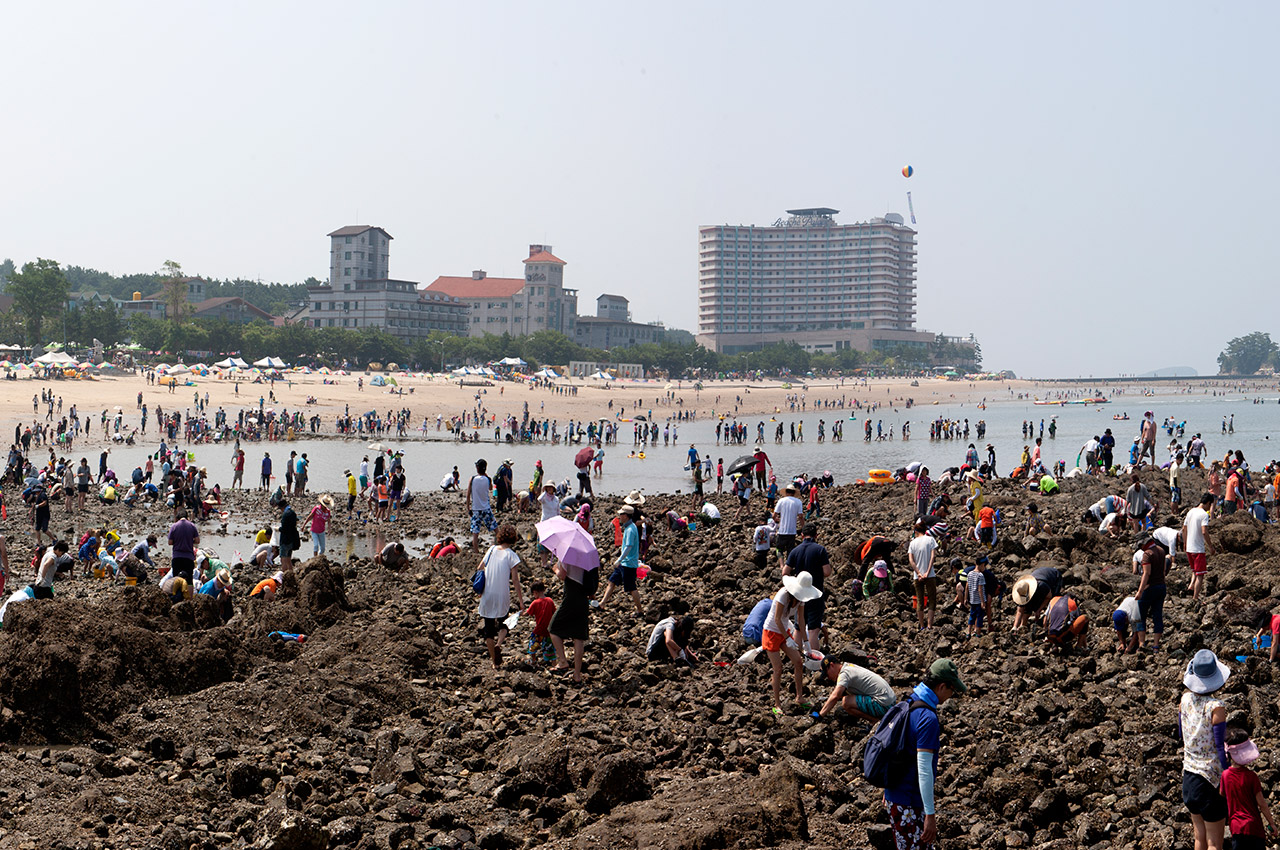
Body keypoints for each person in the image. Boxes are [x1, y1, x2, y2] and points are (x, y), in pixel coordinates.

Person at [883, 659, 967, 850]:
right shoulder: (927, 719)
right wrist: (930, 814)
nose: (950, 695)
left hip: (895, 796)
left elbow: (894, 748)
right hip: (910, 802)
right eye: (951, 690)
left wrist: (887, 786)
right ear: (942, 686)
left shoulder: (908, 703)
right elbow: (924, 770)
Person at [1180, 649, 1231, 850]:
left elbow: (1181, 732)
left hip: (1189, 776)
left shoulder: (1184, 700)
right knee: (1215, 843)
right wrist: (1228, 773)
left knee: (1199, 837)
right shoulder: (1216, 707)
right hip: (1210, 780)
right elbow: (1220, 747)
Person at [763, 572, 822, 714]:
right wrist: (788, 638)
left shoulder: (801, 599)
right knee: (778, 668)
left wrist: (806, 642)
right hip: (771, 632)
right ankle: (777, 704)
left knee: (798, 662)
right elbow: (777, 619)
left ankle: (799, 697)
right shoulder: (783, 595)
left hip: (783, 631)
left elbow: (801, 621)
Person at [476, 524, 524, 669]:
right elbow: (515, 580)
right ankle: (499, 644)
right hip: (502, 595)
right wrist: (521, 601)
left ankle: (494, 662)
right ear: (513, 539)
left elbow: (480, 568)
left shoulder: (491, 550)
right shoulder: (512, 555)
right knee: (504, 624)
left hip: (488, 594)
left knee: (488, 630)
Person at [1222, 727, 1277, 850]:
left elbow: (1222, 797)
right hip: (1254, 828)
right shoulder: (1251, 777)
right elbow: (1262, 804)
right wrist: (1271, 823)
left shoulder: (1225, 776)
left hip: (1236, 828)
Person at [784, 523, 831, 650]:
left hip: (799, 594)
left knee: (798, 627)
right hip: (815, 593)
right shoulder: (820, 550)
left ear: (802, 535)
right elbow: (827, 572)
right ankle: (813, 661)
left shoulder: (795, 550)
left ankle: (796, 657)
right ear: (816, 535)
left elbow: (785, 572)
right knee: (813, 630)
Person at [548, 555, 593, 684]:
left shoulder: (566, 553)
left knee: (553, 628)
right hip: (583, 597)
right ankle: (577, 674)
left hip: (571, 595)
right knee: (578, 637)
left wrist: (555, 569)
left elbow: (562, 575)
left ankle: (562, 661)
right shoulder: (587, 555)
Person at [813, 658, 895, 722]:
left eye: (827, 674)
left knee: (846, 702)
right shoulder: (849, 666)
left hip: (884, 706)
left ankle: (875, 721)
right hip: (891, 701)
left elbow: (835, 696)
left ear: (832, 665)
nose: (828, 678)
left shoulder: (844, 674)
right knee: (846, 696)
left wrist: (821, 715)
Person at [597, 505, 644, 615]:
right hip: (624, 563)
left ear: (626, 516)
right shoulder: (629, 527)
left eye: (621, 515)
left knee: (632, 587)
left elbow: (629, 546)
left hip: (628, 563)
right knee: (612, 581)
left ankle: (640, 610)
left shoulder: (631, 529)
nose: (619, 517)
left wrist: (619, 559)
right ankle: (602, 603)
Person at [1010, 566, 1062, 632]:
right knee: (1028, 605)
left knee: (1054, 601)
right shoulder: (1022, 589)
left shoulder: (1042, 585)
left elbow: (1048, 597)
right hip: (1040, 576)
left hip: (1055, 577)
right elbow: (1020, 611)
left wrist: (1039, 610)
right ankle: (1022, 626)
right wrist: (1014, 626)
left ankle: (1051, 625)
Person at [908, 521, 939, 631]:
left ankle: (921, 625)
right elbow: (932, 557)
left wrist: (919, 573)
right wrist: (927, 572)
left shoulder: (913, 543)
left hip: (918, 576)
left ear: (916, 531)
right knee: (932, 600)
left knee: (920, 601)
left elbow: (911, 560)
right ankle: (930, 625)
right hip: (930, 575)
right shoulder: (930, 540)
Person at [1185, 492, 1215, 602]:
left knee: (1194, 570)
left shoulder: (1190, 512)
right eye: (1210, 505)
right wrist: (1210, 546)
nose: (1209, 508)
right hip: (1198, 549)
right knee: (1200, 575)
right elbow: (1204, 531)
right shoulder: (1204, 515)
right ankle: (1195, 597)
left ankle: (1191, 585)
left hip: (1189, 547)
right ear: (1207, 503)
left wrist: (1184, 543)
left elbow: (1185, 528)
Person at [466, 459, 497, 552]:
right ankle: (498, 547)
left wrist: (468, 508)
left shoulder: (472, 479)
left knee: (475, 534)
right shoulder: (487, 479)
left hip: (476, 510)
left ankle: (476, 552)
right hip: (486, 509)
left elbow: (468, 495)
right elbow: (491, 488)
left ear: (477, 468)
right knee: (496, 529)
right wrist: (486, 475)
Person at [524, 580, 557, 665]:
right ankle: (554, 663)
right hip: (549, 629)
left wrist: (520, 614)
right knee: (550, 647)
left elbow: (527, 614)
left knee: (533, 644)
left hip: (539, 629)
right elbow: (555, 613)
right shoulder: (550, 601)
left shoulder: (535, 602)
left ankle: (534, 660)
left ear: (535, 592)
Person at [773, 483, 804, 568]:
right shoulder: (798, 502)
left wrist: (777, 520)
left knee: (779, 549)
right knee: (790, 550)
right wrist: (803, 528)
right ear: (794, 493)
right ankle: (788, 566)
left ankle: (782, 565)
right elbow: (800, 517)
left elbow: (774, 515)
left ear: (786, 492)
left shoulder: (781, 501)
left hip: (782, 531)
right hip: (792, 531)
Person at [168, 509, 199, 585]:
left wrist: (177, 542)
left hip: (177, 557)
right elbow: (197, 541)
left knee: (176, 580)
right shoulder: (192, 526)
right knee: (189, 581)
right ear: (187, 517)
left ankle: (177, 596)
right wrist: (190, 541)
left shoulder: (174, 526)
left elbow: (170, 542)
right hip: (188, 557)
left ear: (178, 517)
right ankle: (189, 597)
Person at [537, 483, 559, 569]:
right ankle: (544, 563)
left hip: (553, 523)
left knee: (552, 543)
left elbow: (557, 511)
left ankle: (551, 561)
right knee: (542, 544)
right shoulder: (544, 498)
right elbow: (539, 499)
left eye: (551, 488)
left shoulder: (556, 499)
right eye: (548, 487)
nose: (550, 489)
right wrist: (544, 492)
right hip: (544, 523)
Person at [965, 558, 987, 638]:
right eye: (984, 566)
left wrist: (965, 598)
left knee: (972, 616)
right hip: (978, 600)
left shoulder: (970, 574)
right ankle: (978, 633)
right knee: (979, 617)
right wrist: (982, 602)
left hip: (972, 600)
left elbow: (967, 587)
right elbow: (980, 589)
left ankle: (968, 633)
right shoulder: (980, 575)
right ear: (981, 565)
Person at [278, 496, 300, 572]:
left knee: (283, 559)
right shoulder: (293, 513)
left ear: (282, 507)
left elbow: (284, 528)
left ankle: (284, 575)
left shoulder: (285, 515)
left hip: (285, 539)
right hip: (291, 539)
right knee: (288, 558)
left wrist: (278, 529)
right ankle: (291, 574)